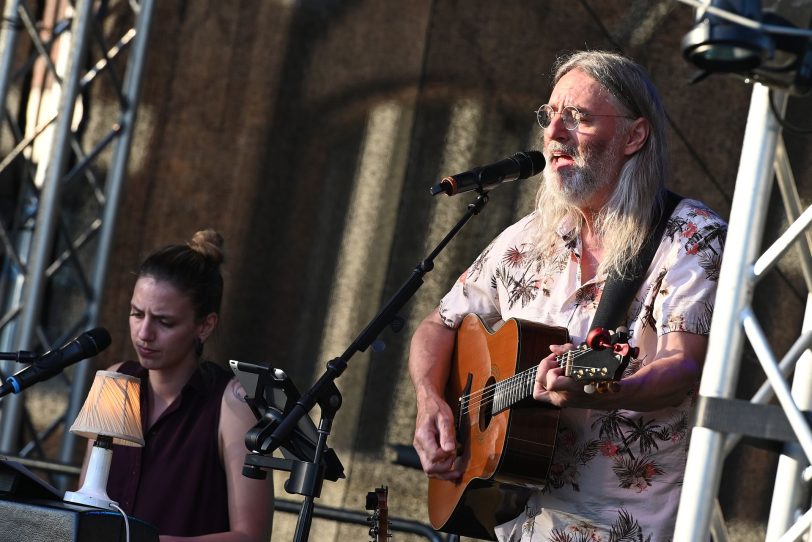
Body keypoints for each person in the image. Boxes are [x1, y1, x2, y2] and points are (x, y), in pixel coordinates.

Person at [409, 50, 727, 541]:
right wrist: (431, 401)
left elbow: (682, 366)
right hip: (514, 520)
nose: (554, 133)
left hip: (620, 525)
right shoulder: (531, 238)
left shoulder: (689, 239)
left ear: (634, 136)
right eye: (550, 115)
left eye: (577, 118)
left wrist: (609, 390)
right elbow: (439, 324)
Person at [78, 229, 273, 542]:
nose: (144, 333)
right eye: (136, 313)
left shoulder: (231, 403)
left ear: (205, 325)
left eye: (164, 322)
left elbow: (252, 536)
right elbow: (86, 504)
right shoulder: (118, 380)